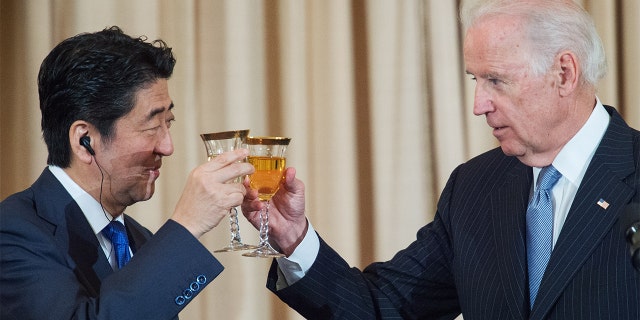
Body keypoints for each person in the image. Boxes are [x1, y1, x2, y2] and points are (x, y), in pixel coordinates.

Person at [241, 0, 640, 319]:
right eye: (475, 80)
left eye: (496, 81)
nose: (478, 105)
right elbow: (383, 309)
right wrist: (294, 240)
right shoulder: (474, 187)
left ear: (565, 73)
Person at [0, 26, 254, 319]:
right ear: (85, 141)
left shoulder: (139, 238)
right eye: (151, 126)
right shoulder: (13, 231)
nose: (168, 147)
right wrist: (185, 226)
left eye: (168, 123)